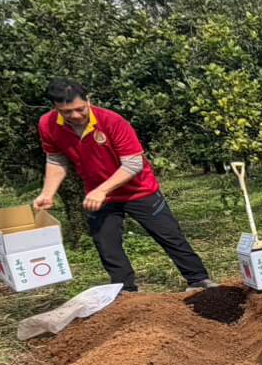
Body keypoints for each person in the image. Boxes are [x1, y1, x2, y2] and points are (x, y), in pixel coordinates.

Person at [34, 79, 216, 294]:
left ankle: (199, 280)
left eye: (79, 109)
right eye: (66, 112)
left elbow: (133, 163)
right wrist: (48, 193)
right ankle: (125, 291)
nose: (74, 116)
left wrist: (103, 189)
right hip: (99, 196)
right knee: (107, 244)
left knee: (169, 235)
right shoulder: (48, 125)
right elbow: (56, 159)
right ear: (55, 108)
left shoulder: (111, 121)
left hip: (139, 191)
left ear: (88, 101)